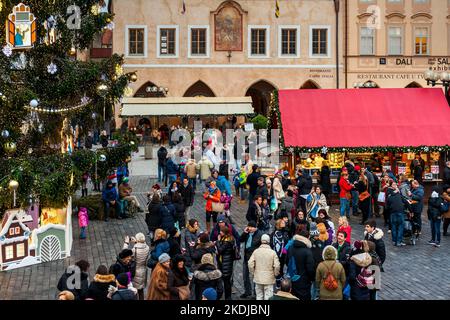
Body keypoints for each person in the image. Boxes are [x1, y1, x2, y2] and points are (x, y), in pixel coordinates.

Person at [248, 234, 280, 301]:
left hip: (258, 278)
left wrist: (253, 273)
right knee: (268, 297)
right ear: (269, 241)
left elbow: (250, 263)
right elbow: (277, 265)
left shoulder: (256, 251)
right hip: (269, 278)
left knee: (259, 296)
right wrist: (275, 274)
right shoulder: (273, 253)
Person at [286, 229, 315, 300]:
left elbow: (287, 261)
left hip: (292, 278)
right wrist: (312, 278)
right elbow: (310, 269)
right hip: (304, 281)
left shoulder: (290, 247)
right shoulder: (307, 251)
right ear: (307, 238)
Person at [122, 233, 149, 300]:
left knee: (135, 290)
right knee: (141, 290)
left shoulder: (135, 249)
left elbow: (124, 253)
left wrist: (126, 243)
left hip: (136, 272)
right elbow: (141, 246)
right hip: (143, 271)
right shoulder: (147, 247)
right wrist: (136, 242)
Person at [239, 221, 263, 299]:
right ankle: (247, 292)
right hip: (246, 258)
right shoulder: (247, 233)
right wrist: (244, 232)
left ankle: (256, 294)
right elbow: (240, 240)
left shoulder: (260, 234)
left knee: (255, 278)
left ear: (255, 228)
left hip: (255, 259)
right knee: (245, 276)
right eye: (249, 226)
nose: (250, 228)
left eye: (252, 227)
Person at [216, 226, 236, 300]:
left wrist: (218, 241)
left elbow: (220, 249)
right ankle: (227, 296)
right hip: (224, 263)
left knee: (226, 281)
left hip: (226, 264)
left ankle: (228, 297)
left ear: (225, 233)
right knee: (226, 281)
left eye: (221, 231)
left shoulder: (227, 241)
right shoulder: (227, 238)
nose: (220, 232)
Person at [386, 181, 407, 247]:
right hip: (397, 212)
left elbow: (387, 205)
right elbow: (406, 202)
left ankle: (395, 241)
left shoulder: (394, 194)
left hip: (394, 212)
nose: (395, 185)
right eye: (394, 184)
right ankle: (398, 241)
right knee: (399, 226)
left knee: (394, 226)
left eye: (396, 184)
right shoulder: (391, 191)